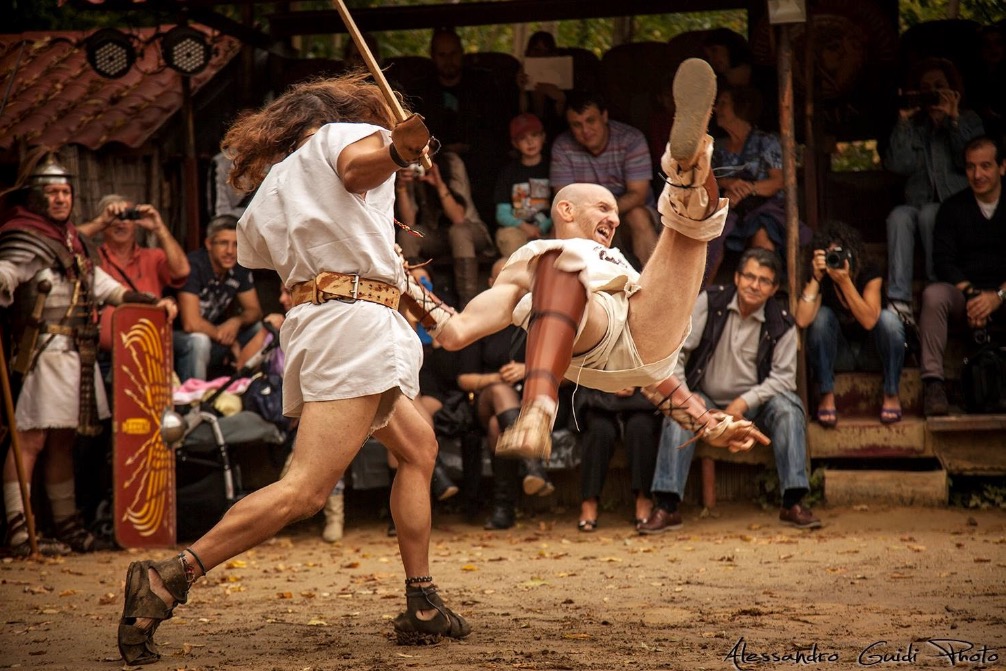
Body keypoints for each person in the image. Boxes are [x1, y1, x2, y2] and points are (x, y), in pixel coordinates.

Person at [115, 74, 469, 666]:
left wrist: (395, 163)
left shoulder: (274, 188)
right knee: (304, 490)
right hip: (353, 327)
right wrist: (396, 149)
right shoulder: (351, 135)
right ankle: (169, 577)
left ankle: (422, 599)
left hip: (321, 323)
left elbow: (288, 259)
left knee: (419, 447)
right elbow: (359, 166)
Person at [404, 59, 763, 461]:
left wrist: (707, 424)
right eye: (603, 207)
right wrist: (404, 284)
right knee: (559, 262)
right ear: (567, 211)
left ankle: (688, 162)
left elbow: (654, 376)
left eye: (614, 210)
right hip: (589, 337)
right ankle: (537, 410)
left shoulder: (618, 261)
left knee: (690, 223)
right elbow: (455, 332)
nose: (614, 217)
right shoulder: (528, 259)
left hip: (646, 334)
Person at [0, 153, 171, 556]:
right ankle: (20, 529)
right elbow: (7, 272)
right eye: (52, 192)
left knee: (62, 442)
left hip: (77, 351)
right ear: (37, 197)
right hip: (40, 352)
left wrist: (137, 299)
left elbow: (100, 284)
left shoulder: (72, 241)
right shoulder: (25, 236)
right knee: (30, 440)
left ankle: (67, 526)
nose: (60, 199)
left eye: (65, 192)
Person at [640, 248, 820, 533]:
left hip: (756, 405)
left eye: (764, 280)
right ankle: (667, 506)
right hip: (706, 398)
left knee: (789, 406)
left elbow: (784, 379)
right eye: (749, 276)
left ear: (773, 289)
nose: (754, 285)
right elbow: (677, 352)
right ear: (737, 278)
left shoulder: (783, 322)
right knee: (680, 411)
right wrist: (686, 398)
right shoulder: (710, 302)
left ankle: (793, 502)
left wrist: (742, 403)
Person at [883, 57, 984, 323]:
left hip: (956, 206)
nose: (933, 92)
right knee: (898, 216)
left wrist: (953, 120)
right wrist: (904, 123)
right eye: (926, 87)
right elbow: (898, 164)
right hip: (917, 203)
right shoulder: (916, 126)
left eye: (938, 86)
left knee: (930, 214)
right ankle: (898, 300)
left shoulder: (969, 120)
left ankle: (936, 286)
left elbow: (971, 159)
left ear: (953, 89)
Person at [456, 258, 554, 531]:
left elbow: (566, 371)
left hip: (528, 404)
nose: (515, 288)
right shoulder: (480, 320)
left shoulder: (542, 319)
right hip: (485, 400)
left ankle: (504, 510)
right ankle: (532, 465)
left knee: (498, 427)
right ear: (491, 284)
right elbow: (464, 378)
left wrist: (528, 370)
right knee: (500, 392)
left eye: (521, 282)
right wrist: (497, 378)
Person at [919, 135, 1006, 416]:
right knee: (933, 295)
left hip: (1003, 292)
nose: (977, 174)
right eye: (970, 167)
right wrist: (973, 296)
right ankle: (933, 384)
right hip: (965, 292)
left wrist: (998, 297)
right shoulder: (952, 208)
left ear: (1002, 167)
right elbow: (943, 261)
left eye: (985, 166)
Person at [795, 221, 906, 426]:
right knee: (820, 317)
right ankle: (826, 393)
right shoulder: (821, 277)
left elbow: (870, 320)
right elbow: (802, 319)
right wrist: (816, 279)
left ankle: (891, 392)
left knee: (888, 320)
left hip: (872, 353)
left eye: (839, 253)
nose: (834, 259)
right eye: (829, 255)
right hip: (839, 355)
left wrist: (845, 282)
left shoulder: (869, 271)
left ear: (853, 253)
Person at [412, 27, 516, 226]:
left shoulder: (482, 84)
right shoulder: (423, 90)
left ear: (462, 54)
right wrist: (442, 149)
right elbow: (417, 129)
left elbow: (497, 126)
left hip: (480, 157)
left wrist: (471, 146)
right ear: (433, 57)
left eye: (453, 54)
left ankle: (487, 231)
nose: (448, 60)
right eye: (442, 55)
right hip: (437, 158)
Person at [704, 85, 803, 286]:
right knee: (711, 236)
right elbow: (707, 178)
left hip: (762, 208)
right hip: (728, 207)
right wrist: (730, 183)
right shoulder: (717, 148)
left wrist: (747, 188)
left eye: (723, 104)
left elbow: (779, 181)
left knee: (763, 233)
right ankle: (699, 300)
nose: (716, 109)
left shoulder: (766, 142)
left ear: (741, 108)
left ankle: (759, 294)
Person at [550, 89, 659, 267]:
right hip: (584, 216)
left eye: (590, 120)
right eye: (577, 125)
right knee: (561, 223)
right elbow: (564, 199)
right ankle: (555, 288)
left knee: (637, 215)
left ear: (604, 116)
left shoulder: (631, 139)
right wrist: (592, 218)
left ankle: (654, 288)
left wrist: (601, 214)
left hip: (627, 214)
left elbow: (638, 195)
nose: (585, 130)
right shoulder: (563, 146)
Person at [76, 194, 188, 352]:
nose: (121, 223)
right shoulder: (91, 258)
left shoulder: (153, 256)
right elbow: (64, 242)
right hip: (102, 354)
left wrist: (160, 229)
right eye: (115, 218)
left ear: (136, 222)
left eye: (128, 217)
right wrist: (100, 222)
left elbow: (181, 271)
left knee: (196, 342)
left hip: (147, 349)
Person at [394, 151, 494, 307]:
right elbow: (409, 222)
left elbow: (458, 218)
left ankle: (468, 306)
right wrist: (401, 187)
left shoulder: (450, 162)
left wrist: (439, 184)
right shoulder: (410, 167)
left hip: (469, 231)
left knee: (459, 232)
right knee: (408, 235)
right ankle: (414, 304)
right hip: (436, 234)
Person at [173, 215, 263, 381]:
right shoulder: (194, 266)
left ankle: (250, 392)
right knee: (199, 341)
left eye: (236, 245)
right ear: (208, 244)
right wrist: (230, 340)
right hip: (178, 340)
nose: (230, 251)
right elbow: (190, 323)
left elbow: (254, 311)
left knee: (258, 329)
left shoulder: (239, 267)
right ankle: (193, 403)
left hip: (214, 336)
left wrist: (237, 321)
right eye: (223, 243)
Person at [575, 386, 660, 532]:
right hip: (598, 395)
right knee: (599, 430)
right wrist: (611, 382)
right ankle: (589, 500)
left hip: (642, 396)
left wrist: (634, 381)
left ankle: (643, 498)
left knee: (639, 427)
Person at [494, 113, 553, 258]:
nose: (530, 142)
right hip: (518, 228)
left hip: (547, 227)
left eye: (534, 135)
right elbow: (501, 213)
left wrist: (542, 227)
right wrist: (524, 226)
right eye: (522, 138)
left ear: (543, 137)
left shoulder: (553, 167)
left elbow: (560, 205)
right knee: (509, 238)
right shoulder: (509, 172)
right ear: (515, 143)